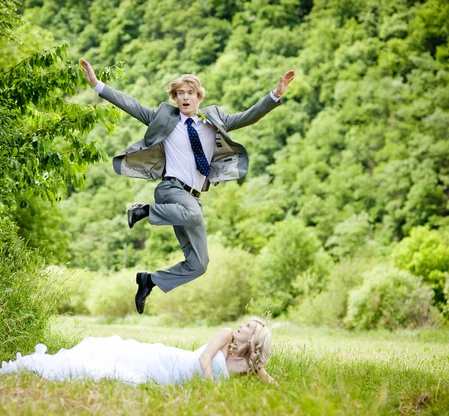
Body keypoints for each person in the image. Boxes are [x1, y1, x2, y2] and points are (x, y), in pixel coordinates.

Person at [80, 60, 295, 314]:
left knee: (199, 263)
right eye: (179, 93)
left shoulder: (214, 119)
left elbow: (249, 117)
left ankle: (150, 281)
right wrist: (97, 85)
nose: (184, 97)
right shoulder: (164, 118)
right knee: (193, 214)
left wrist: (276, 94)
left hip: (192, 198)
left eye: (189, 93)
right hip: (170, 190)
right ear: (174, 98)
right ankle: (144, 210)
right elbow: (132, 106)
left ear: (198, 97)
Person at [0, 317, 278, 386]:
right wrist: (213, 389)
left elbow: (273, 385)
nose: (242, 326)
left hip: (179, 382)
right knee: (116, 361)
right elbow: (205, 358)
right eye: (245, 323)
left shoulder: (248, 365)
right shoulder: (226, 334)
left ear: (255, 339)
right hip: (175, 362)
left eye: (248, 327)